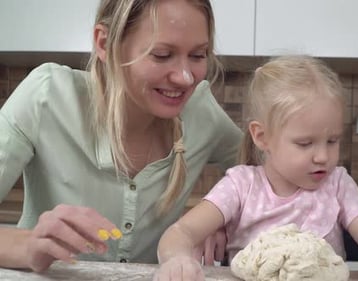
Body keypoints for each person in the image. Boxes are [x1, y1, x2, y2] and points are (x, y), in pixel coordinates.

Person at [0, 0, 242, 273]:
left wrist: (227, 214)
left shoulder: (201, 111)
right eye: (161, 54)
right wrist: (28, 245)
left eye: (198, 55)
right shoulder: (46, 95)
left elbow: (273, 174)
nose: (186, 78)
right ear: (104, 43)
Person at [154, 55, 358, 281]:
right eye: (305, 144)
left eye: (332, 141)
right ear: (262, 136)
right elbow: (180, 233)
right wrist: (177, 259)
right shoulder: (242, 186)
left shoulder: (338, 184)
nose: (323, 157)